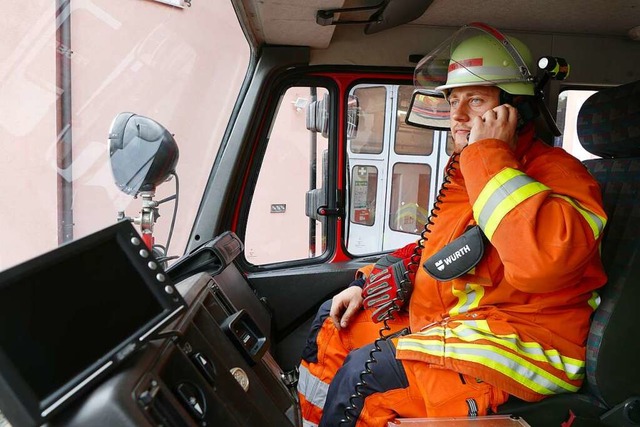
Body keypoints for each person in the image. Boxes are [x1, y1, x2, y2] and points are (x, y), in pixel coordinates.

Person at [296, 22, 608, 427]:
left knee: (366, 375)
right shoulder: (471, 172)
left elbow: (540, 264)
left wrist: (487, 154)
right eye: (452, 100)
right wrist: (365, 280)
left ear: (514, 109)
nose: (457, 115)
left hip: (530, 342)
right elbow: (441, 248)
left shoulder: (559, 175)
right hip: (463, 322)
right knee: (334, 323)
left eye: (475, 101)